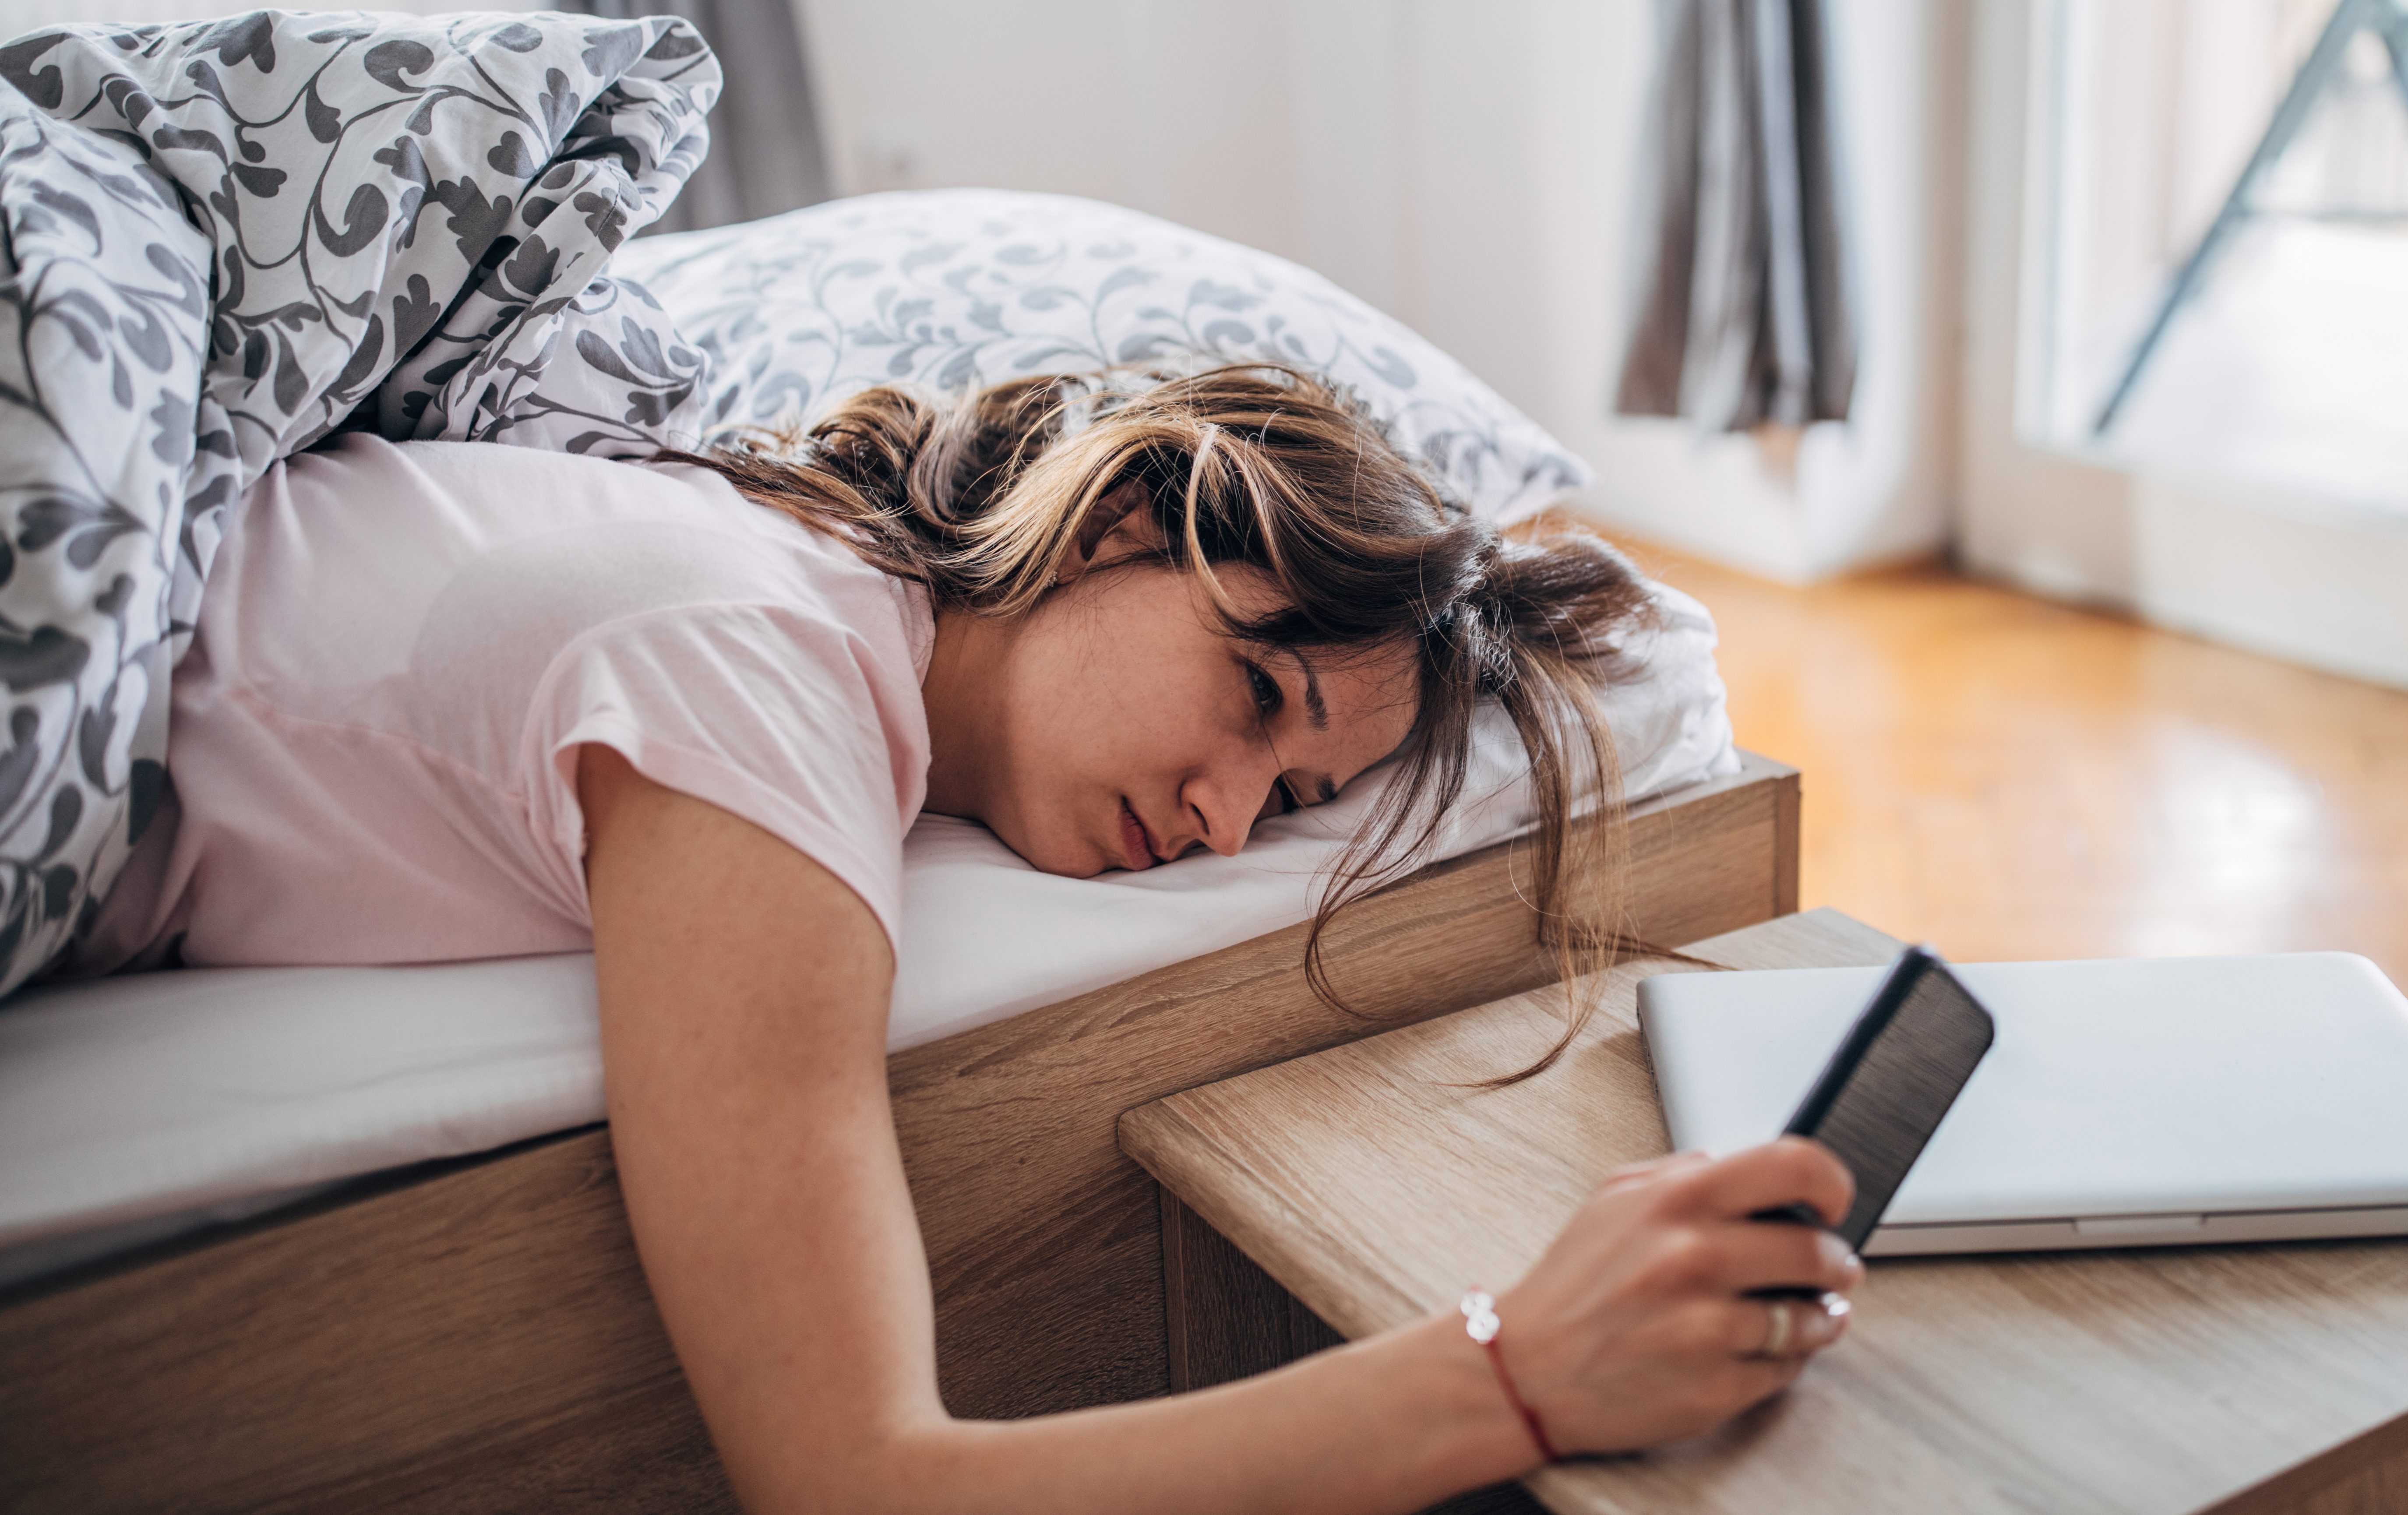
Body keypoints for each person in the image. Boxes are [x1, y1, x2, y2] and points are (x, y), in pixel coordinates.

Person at [64, 365, 1860, 1511]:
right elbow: (859, 1479)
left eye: (1293, 800)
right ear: (1119, 520)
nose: (1228, 818)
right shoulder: (752, 674)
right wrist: (1515, 1374)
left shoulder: (783, 580)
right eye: (1254, 693)